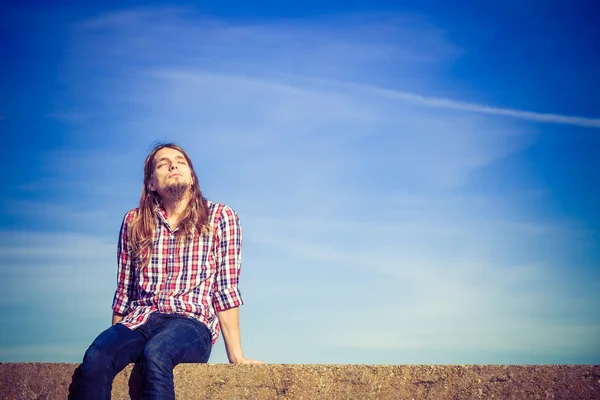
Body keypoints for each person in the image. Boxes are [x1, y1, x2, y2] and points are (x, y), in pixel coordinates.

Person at [75, 143, 263, 400]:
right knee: (97, 355)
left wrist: (236, 356)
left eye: (180, 161)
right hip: (139, 320)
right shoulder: (134, 221)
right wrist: (115, 343)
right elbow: (124, 291)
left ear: (192, 177)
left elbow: (225, 289)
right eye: (163, 164)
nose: (173, 165)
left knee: (157, 354)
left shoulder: (220, 217)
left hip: (191, 324)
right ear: (151, 182)